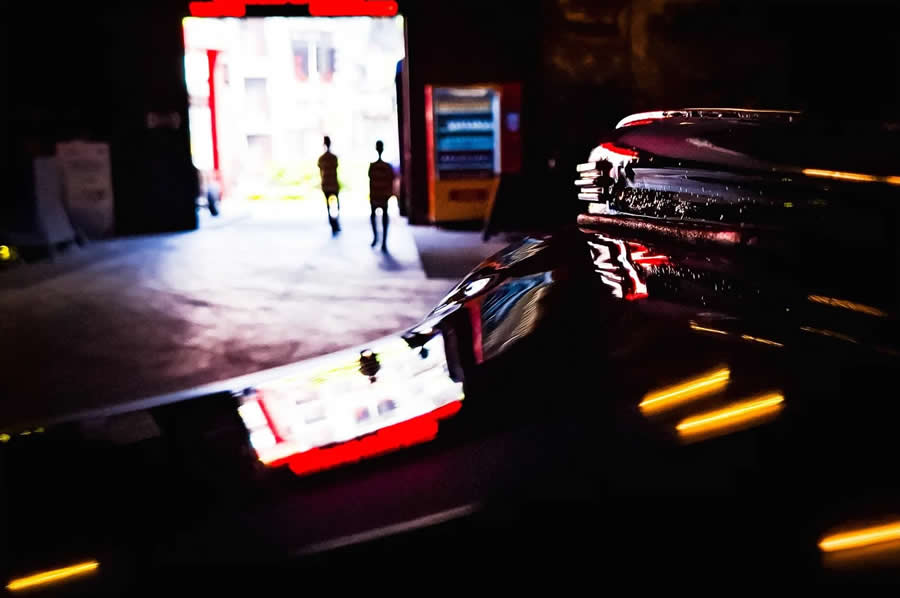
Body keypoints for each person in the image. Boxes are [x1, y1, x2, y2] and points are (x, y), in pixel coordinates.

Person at [368, 140, 395, 252]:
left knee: (374, 215)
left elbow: (370, 181)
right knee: (384, 216)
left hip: (376, 195)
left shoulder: (373, 166)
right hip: (383, 195)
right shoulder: (387, 166)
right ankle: (383, 241)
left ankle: (376, 238)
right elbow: (391, 181)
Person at [317, 136, 341, 234]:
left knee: (329, 206)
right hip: (333, 184)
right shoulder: (333, 158)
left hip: (326, 184)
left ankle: (333, 223)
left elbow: (320, 172)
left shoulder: (322, 158)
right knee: (336, 205)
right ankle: (335, 223)